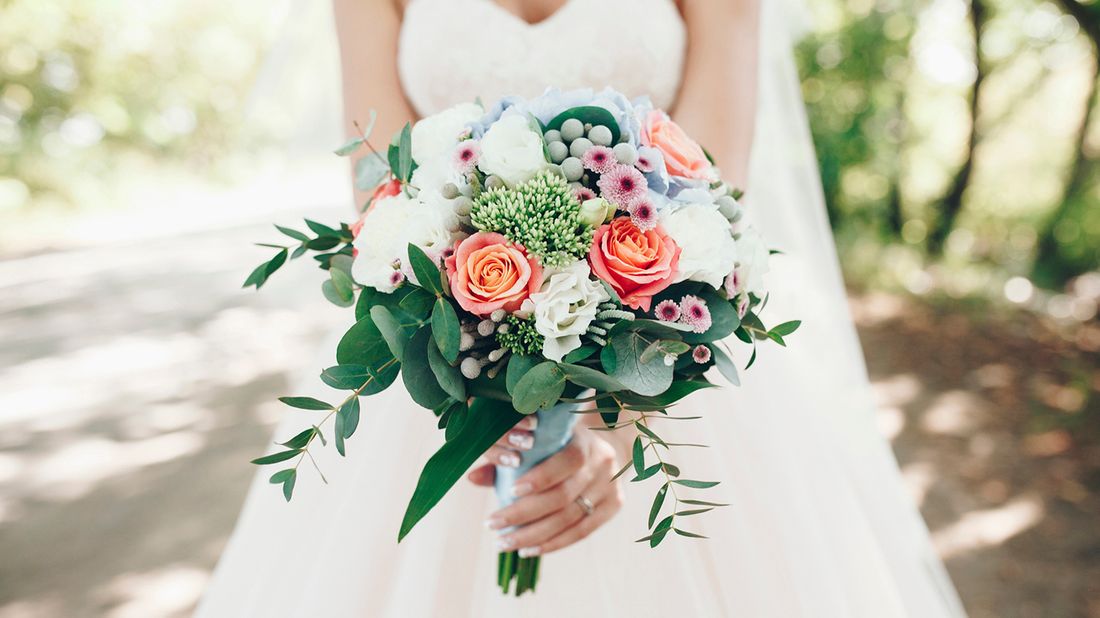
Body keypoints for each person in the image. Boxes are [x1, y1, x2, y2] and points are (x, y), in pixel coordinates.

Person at [197, 1, 968, 615]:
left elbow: (711, 195)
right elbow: (385, 193)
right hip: (442, 357)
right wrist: (496, 399)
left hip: (665, 344)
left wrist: (606, 415)